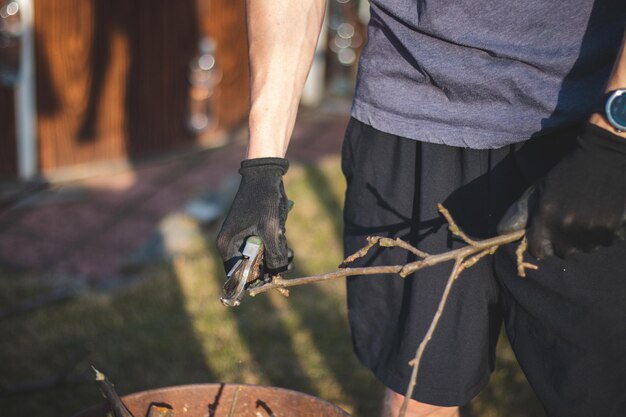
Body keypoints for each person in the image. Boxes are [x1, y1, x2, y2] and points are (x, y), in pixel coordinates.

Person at [216, 1, 626, 416]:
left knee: (606, 391)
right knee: (417, 393)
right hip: (409, 111)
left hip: (585, 120)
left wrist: (614, 136)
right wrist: (263, 165)